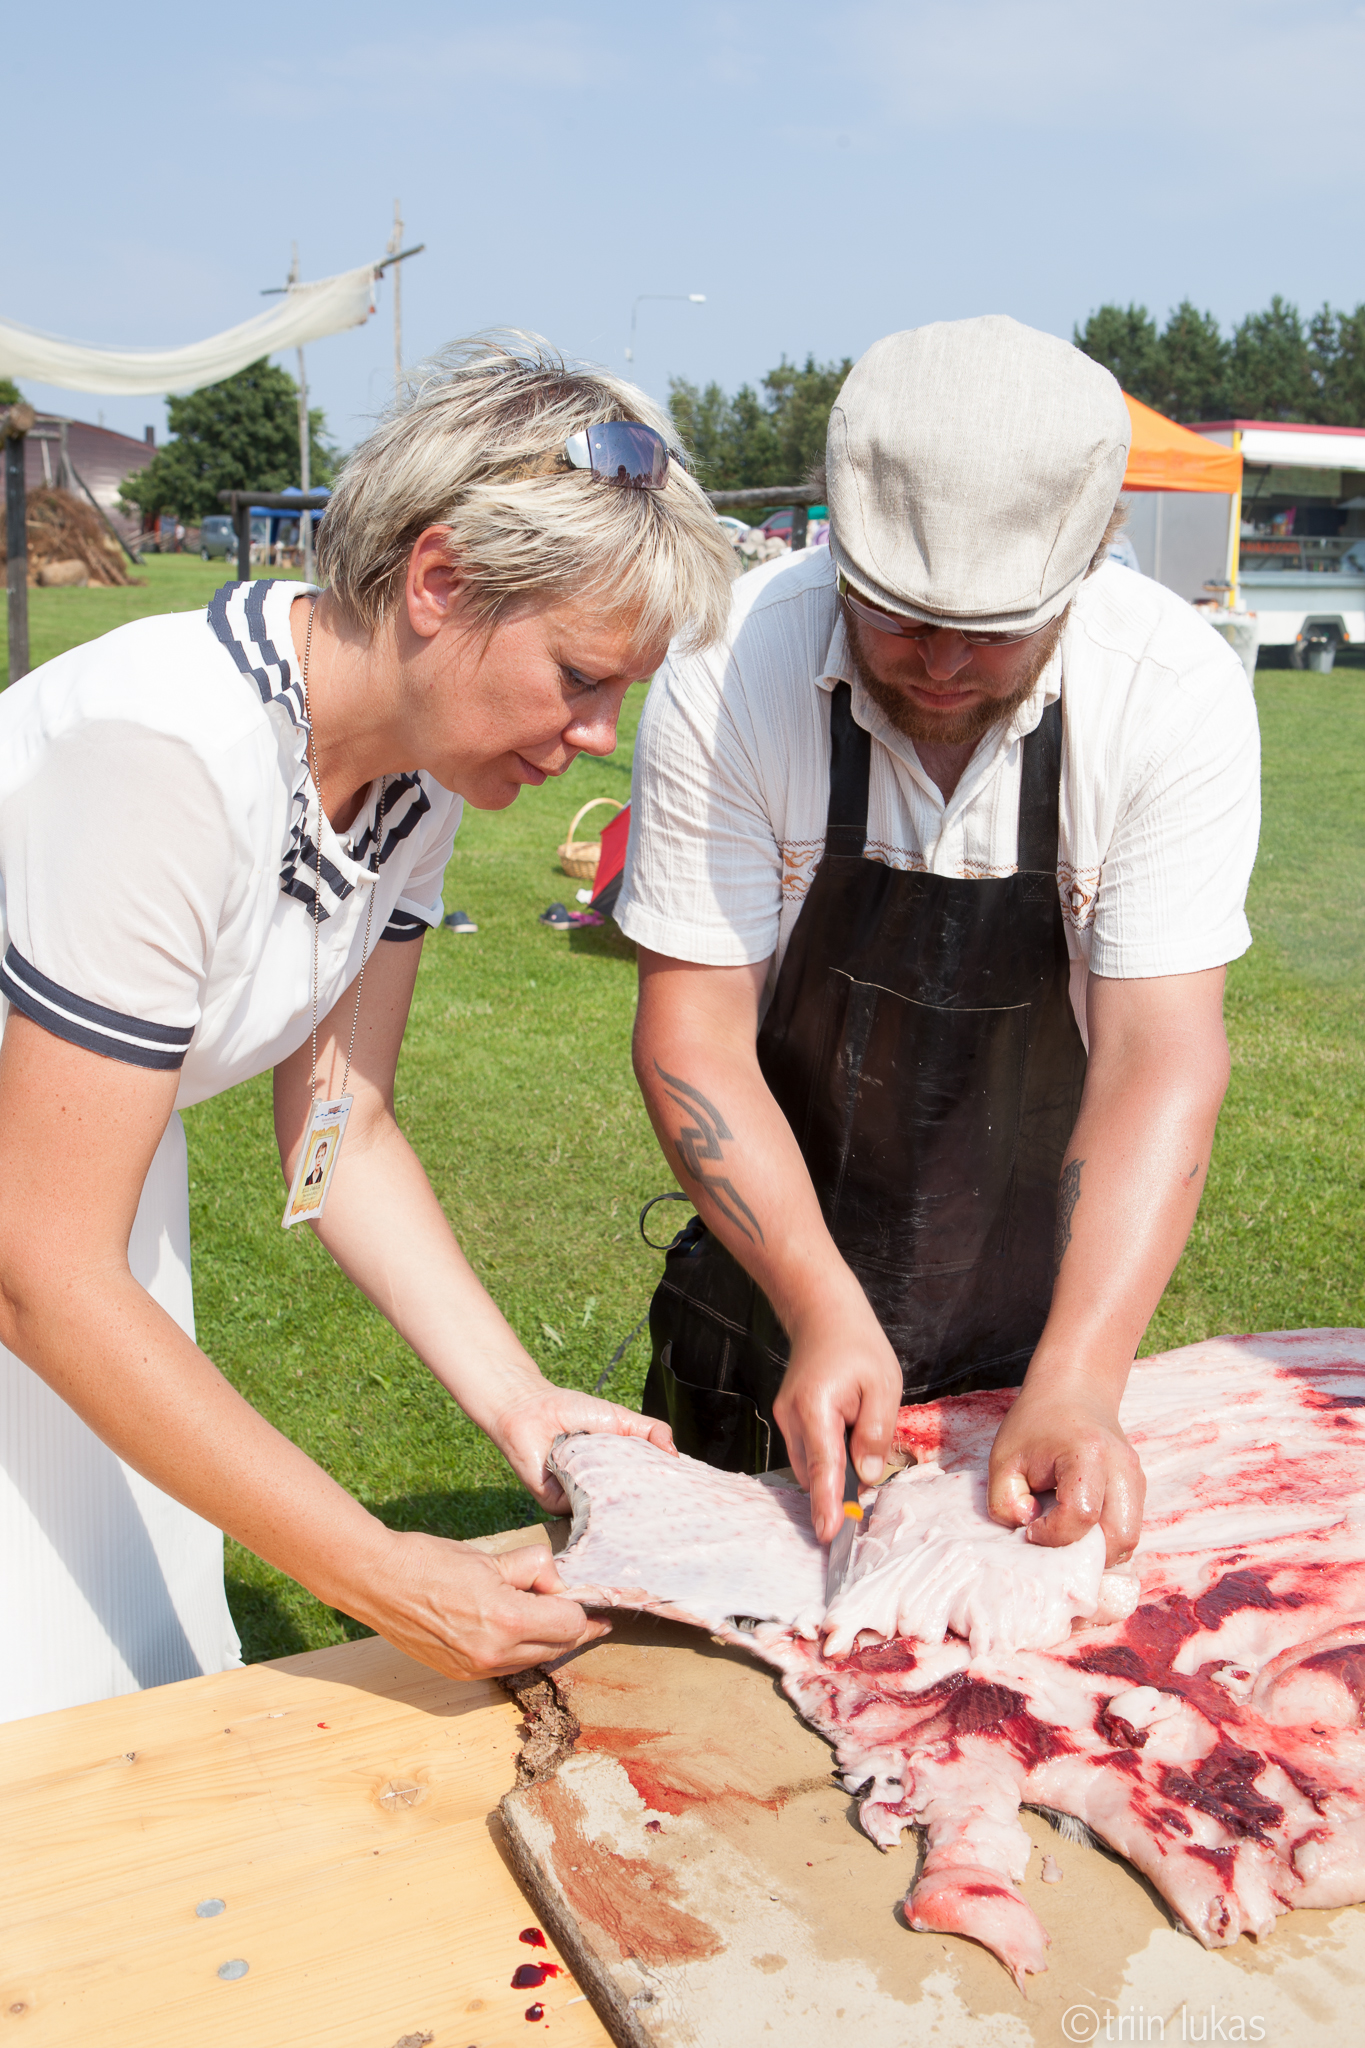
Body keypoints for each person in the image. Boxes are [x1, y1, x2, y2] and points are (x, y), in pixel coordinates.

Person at [0, 337, 735, 1722]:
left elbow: (341, 1125)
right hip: (46, 1239)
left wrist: (519, 1401)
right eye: (581, 674)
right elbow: (38, 1268)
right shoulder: (165, 751)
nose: (597, 733)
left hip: (73, 1217)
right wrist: (386, 1576)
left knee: (131, 1694)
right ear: (438, 581)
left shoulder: (416, 773)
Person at [619, 316, 1260, 1566]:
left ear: (1088, 562)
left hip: (1041, 1304)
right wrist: (815, 1298)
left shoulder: (1171, 692)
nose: (949, 662)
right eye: (904, 618)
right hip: (763, 1285)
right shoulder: (730, 664)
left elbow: (1158, 1059)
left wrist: (1078, 1375)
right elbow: (694, 1028)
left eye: (998, 627)